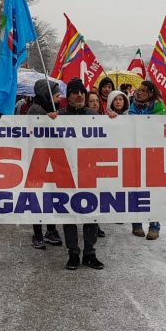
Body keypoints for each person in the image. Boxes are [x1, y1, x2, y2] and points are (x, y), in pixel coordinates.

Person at [56, 78, 103, 270]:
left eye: (82, 92)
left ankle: (90, 253)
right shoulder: (59, 115)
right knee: (69, 214)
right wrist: (47, 120)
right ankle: (73, 253)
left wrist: (114, 121)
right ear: (68, 96)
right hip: (66, 172)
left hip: (89, 170)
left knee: (91, 213)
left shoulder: (93, 116)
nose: (79, 95)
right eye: (75, 92)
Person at [125, 80, 165, 238]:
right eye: (138, 90)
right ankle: (136, 224)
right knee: (135, 189)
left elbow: (159, 125)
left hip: (154, 153)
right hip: (135, 152)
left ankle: (154, 226)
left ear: (150, 93)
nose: (139, 93)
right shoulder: (133, 106)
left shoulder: (159, 107)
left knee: (153, 191)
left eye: (143, 90)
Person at [27, 78, 63, 249]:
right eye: (56, 95)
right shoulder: (36, 110)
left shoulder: (49, 109)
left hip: (49, 161)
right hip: (37, 161)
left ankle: (50, 230)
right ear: (46, 95)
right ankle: (38, 233)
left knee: (49, 197)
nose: (59, 98)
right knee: (39, 197)